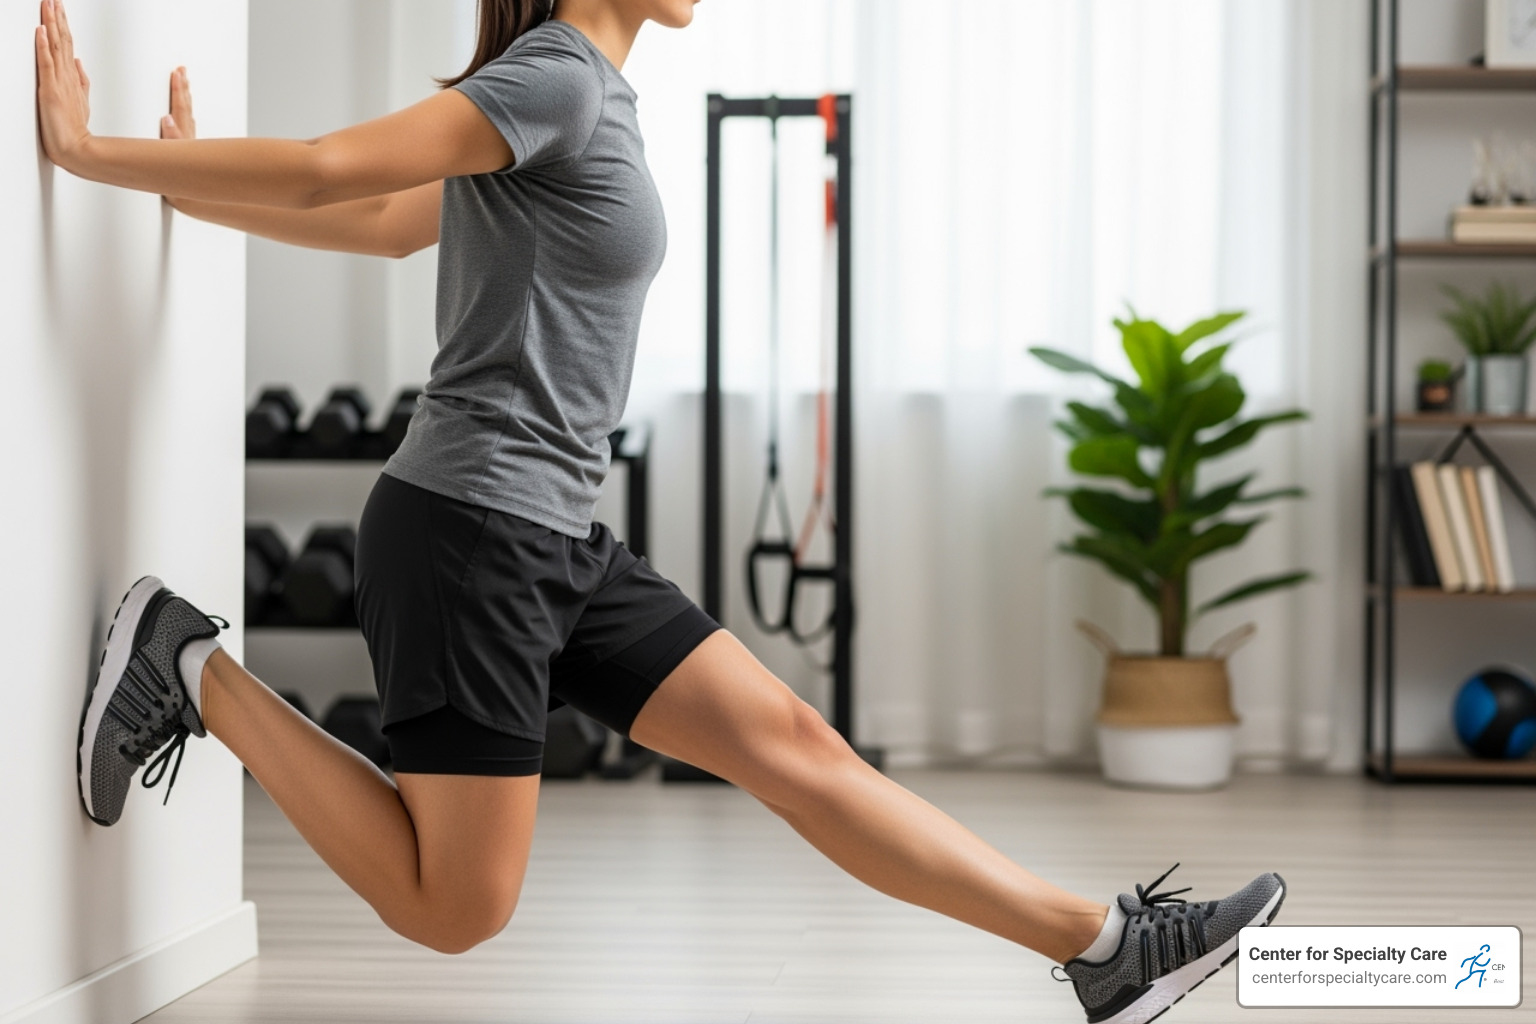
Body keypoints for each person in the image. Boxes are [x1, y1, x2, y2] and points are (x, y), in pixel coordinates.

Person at [36, 0, 1285, 1019]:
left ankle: (1105, 946)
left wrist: (186, 194)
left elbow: (377, 224)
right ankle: (194, 668)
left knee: (799, 746)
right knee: (455, 907)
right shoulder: (558, 78)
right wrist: (96, 156)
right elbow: (329, 168)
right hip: (471, 529)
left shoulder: (582, 99)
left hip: (555, 536)